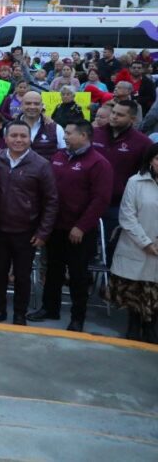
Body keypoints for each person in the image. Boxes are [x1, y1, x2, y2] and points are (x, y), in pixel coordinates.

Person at [28, 120, 113, 332]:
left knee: (78, 275)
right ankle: (50, 308)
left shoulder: (98, 163)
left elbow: (100, 200)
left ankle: (77, 317)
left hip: (79, 231)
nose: (64, 136)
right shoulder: (59, 157)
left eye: (68, 133)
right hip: (56, 226)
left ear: (83, 136)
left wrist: (82, 226)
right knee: (53, 270)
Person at [0, 120, 59, 325]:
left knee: (22, 276)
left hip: (26, 232)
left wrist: (43, 233)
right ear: (6, 138)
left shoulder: (41, 165)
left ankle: (19, 314)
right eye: (14, 136)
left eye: (23, 136)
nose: (18, 140)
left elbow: (51, 201)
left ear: (30, 139)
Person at [110, 143, 158, 342]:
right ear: (151, 161)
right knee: (135, 289)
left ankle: (151, 328)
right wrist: (146, 243)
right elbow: (127, 216)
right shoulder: (135, 182)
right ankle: (133, 324)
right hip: (137, 245)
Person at [93, 99, 152, 259]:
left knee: (112, 246)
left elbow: (146, 174)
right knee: (85, 247)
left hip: (118, 204)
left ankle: (112, 280)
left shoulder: (142, 143)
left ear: (132, 119)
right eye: (113, 113)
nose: (114, 117)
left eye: (120, 115)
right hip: (88, 201)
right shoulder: (94, 135)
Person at [15, 90, 65, 159]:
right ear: (21, 105)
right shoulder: (9, 128)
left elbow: (64, 155)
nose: (32, 107)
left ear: (42, 106)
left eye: (36, 104)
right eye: (28, 103)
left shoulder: (56, 129)